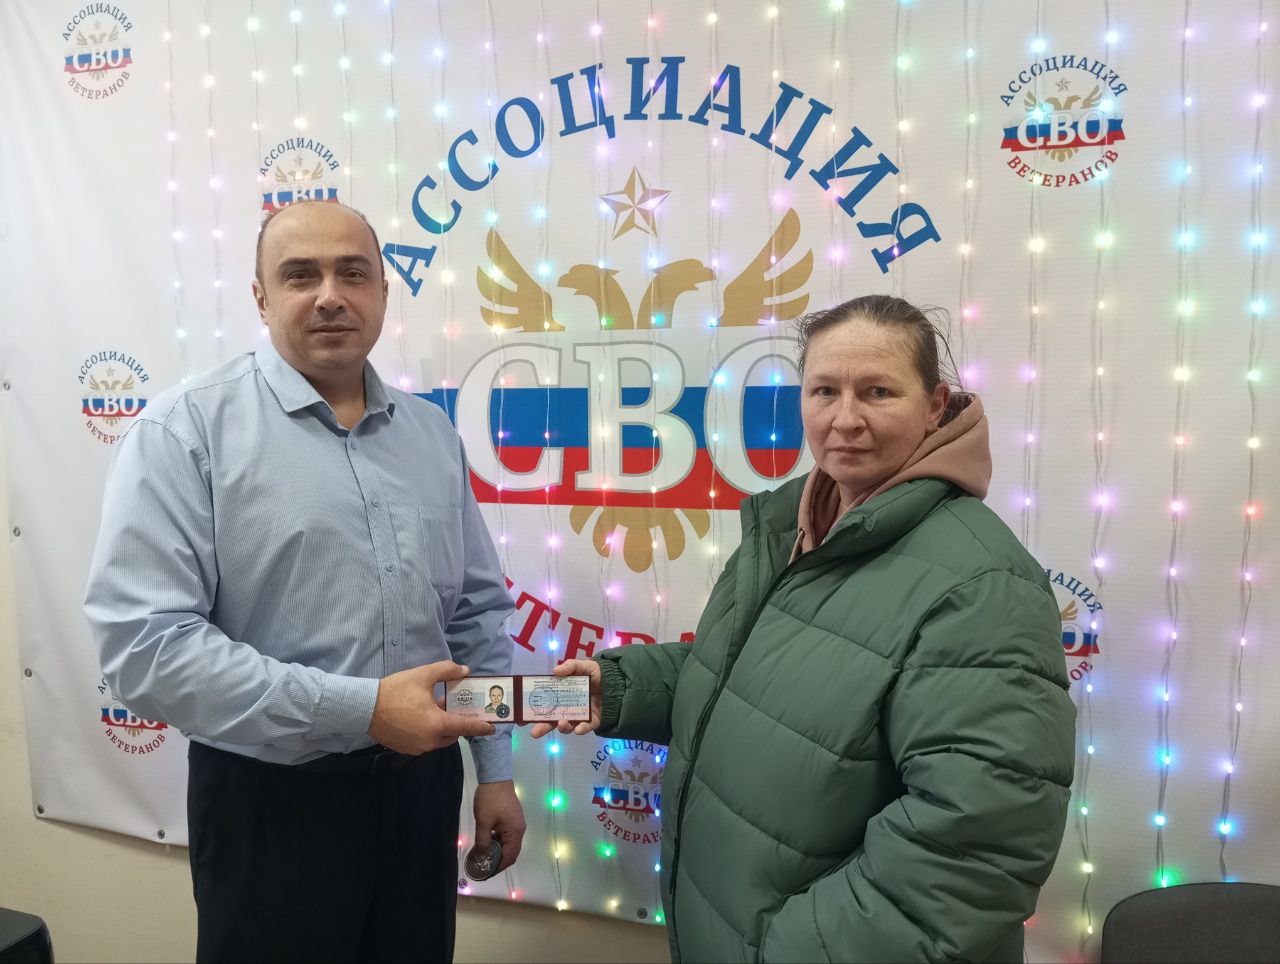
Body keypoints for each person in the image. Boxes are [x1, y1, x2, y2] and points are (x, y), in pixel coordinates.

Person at [533, 295, 1076, 963]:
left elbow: (971, 852)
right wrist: (617, 688)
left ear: (936, 405)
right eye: (825, 391)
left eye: (877, 392)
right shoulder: (791, 524)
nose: (845, 419)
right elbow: (743, 676)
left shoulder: (983, 585)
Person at [84, 200, 525, 964]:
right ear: (261, 297)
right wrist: (364, 711)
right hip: (270, 805)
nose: (329, 295)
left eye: (352, 273)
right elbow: (145, 650)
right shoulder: (184, 431)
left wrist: (496, 772)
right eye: (300, 275)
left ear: (382, 291)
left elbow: (476, 614)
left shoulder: (431, 434)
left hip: (423, 794)